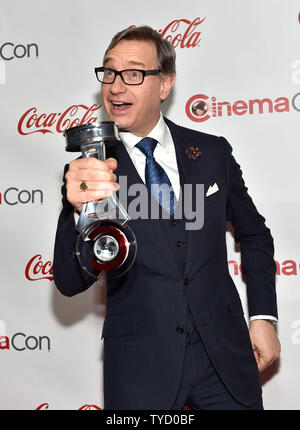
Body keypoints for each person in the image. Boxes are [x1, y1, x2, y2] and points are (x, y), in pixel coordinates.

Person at [53, 26, 281, 410]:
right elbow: (69, 281)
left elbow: (256, 235)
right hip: (140, 369)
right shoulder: (90, 170)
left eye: (134, 73)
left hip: (225, 362)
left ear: (165, 84)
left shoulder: (212, 153)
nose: (115, 86)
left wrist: (263, 317)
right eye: (109, 72)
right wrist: (77, 211)